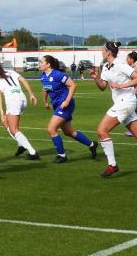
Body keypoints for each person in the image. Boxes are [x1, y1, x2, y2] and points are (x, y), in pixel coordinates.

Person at [40, 54, 97, 163]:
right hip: (57, 105)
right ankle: (92, 144)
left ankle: (62, 156)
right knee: (69, 132)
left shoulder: (58, 75)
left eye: (41, 62)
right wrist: (45, 102)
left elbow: (73, 85)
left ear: (48, 64)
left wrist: (66, 101)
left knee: (51, 129)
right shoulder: (43, 76)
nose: (39, 64)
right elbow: (45, 89)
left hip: (66, 104)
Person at [91, 42, 137, 177]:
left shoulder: (121, 64)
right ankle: (112, 165)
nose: (101, 52)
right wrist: (96, 78)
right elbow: (103, 86)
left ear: (108, 52)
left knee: (101, 131)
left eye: (102, 50)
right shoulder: (105, 66)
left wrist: (121, 86)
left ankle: (112, 165)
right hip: (122, 103)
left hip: (126, 102)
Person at [0, 57, 39, 160]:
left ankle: (32, 152)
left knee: (13, 129)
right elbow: (23, 80)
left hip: (13, 101)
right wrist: (31, 94)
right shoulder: (11, 71)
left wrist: (1, 111)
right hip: (22, 98)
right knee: (7, 123)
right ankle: (21, 145)